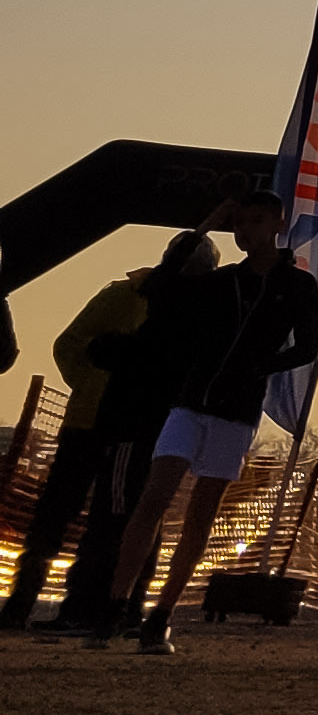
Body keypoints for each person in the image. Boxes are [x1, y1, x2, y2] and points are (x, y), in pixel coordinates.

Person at [96, 190, 318, 654]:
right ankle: (115, 606)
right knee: (153, 497)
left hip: (236, 412)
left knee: (201, 514)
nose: (244, 232)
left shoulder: (298, 284)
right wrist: (204, 225)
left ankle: (161, 615)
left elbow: (307, 346)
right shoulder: (222, 282)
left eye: (255, 222)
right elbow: (160, 286)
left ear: (277, 225)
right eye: (238, 224)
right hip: (190, 403)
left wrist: (259, 366)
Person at [0, 230, 208, 632]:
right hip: (91, 422)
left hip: (144, 427)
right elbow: (70, 343)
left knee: (128, 517)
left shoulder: (195, 308)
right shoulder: (123, 295)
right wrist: (91, 382)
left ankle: (116, 607)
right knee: (57, 515)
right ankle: (24, 605)